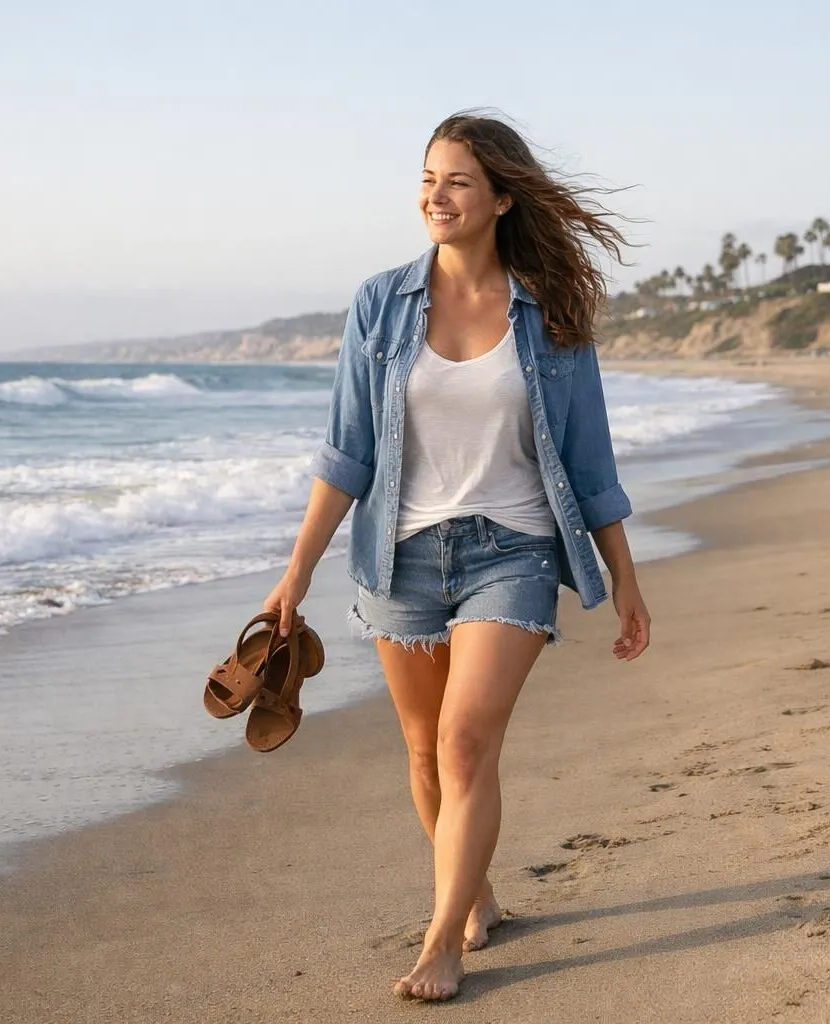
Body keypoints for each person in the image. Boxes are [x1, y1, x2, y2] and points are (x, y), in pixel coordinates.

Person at [262, 111, 652, 1002]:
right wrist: (297, 573)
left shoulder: (549, 313)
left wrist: (624, 575)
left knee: (465, 740)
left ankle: (442, 940)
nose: (435, 197)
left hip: (510, 548)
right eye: (429, 178)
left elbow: (589, 458)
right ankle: (471, 887)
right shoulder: (380, 304)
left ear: (502, 197)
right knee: (423, 751)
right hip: (400, 553)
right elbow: (348, 452)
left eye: (458, 182)